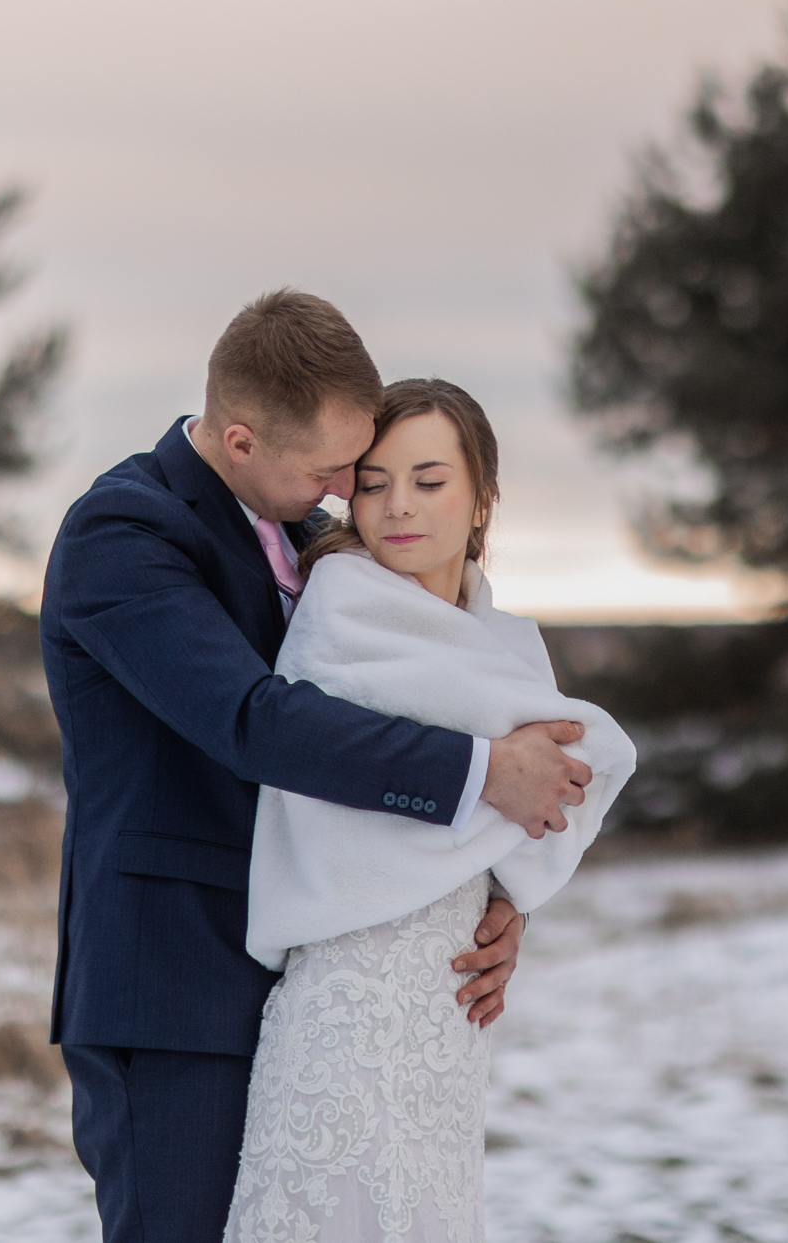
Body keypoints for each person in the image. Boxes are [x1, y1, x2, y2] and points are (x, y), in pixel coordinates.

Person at [41, 290, 593, 1243]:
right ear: (244, 439)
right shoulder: (124, 535)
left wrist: (502, 894)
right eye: (332, 467)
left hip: (316, 988)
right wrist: (479, 772)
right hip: (176, 986)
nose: (349, 489)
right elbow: (253, 720)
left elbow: (409, 703)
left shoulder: (308, 540)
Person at [225, 379, 635, 1243]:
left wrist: (511, 898)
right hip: (347, 1014)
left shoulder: (509, 643)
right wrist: (498, 791)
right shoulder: (341, 610)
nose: (397, 506)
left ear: (481, 497)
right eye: (372, 482)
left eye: (428, 479)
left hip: (448, 1020)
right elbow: (348, 808)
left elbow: (571, 776)